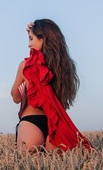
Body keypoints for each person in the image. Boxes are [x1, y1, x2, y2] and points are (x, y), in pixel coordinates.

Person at [11, 19, 92, 153]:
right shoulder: (65, 68)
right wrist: (34, 32)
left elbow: (15, 97)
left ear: (42, 39)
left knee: (30, 161)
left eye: (31, 39)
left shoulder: (26, 66)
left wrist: (24, 90)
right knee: (56, 162)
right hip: (56, 125)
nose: (28, 44)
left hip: (31, 122)